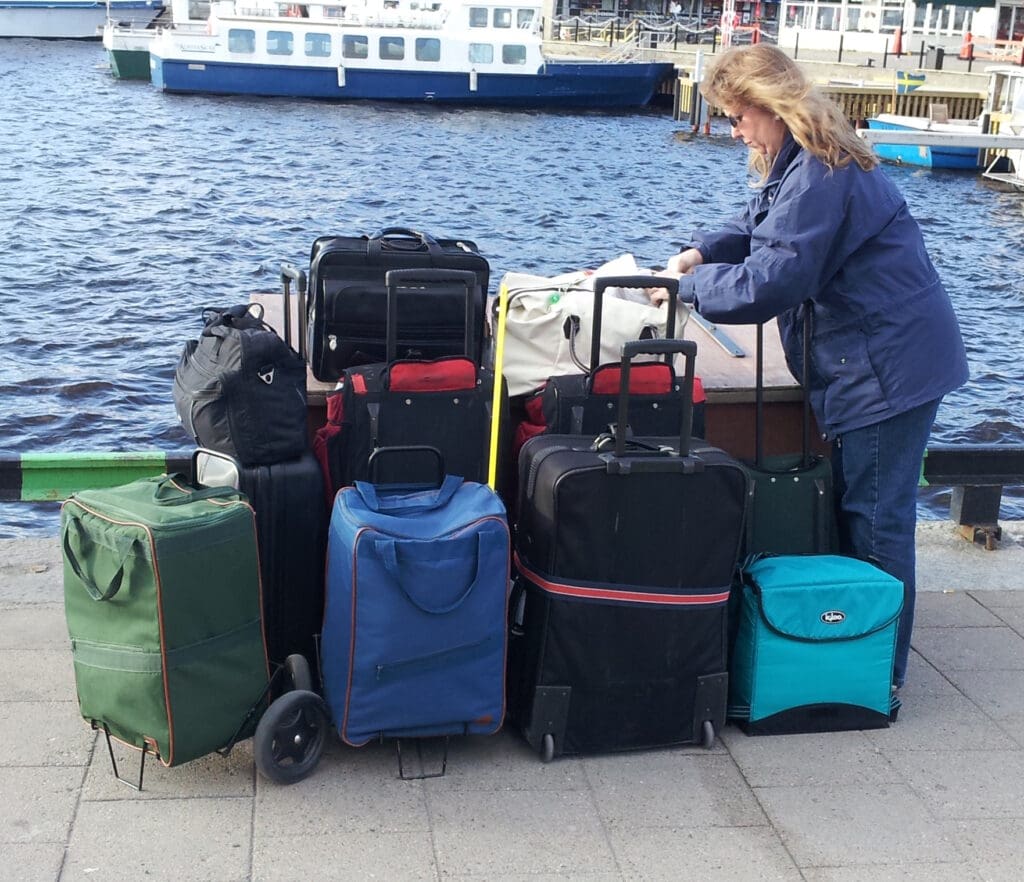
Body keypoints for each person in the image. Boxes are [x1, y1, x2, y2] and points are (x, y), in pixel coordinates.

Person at [650, 44, 969, 693]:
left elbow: (774, 278)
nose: (735, 130)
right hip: (883, 357)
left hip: (889, 367)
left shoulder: (822, 173)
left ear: (771, 107)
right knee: (869, 510)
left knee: (878, 519)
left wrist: (689, 287)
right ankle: (857, 648)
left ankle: (878, 672)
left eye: (739, 116)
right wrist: (698, 251)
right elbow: (760, 223)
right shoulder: (808, 159)